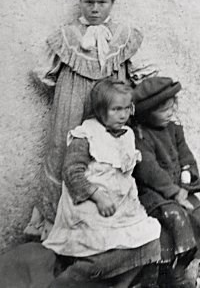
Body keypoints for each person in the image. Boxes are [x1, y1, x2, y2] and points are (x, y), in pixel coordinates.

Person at [28, 0, 154, 238]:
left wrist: (122, 89)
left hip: (110, 102)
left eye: (102, 2)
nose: (95, 8)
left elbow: (143, 71)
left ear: (112, 3)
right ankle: (56, 226)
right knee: (65, 150)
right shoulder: (67, 35)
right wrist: (68, 87)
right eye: (89, 2)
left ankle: (104, 223)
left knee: (106, 154)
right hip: (71, 98)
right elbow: (42, 72)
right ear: (80, 2)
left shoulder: (122, 35)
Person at [43, 78, 161, 288]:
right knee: (103, 250)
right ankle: (68, 282)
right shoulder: (87, 134)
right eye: (116, 109)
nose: (123, 115)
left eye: (126, 108)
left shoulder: (128, 135)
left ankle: (121, 285)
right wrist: (97, 196)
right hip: (89, 203)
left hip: (122, 206)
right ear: (100, 110)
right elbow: (72, 172)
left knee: (150, 240)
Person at [131, 77, 200, 288]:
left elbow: (186, 156)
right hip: (156, 193)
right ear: (147, 113)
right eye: (163, 111)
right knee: (178, 220)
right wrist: (173, 192)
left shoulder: (174, 129)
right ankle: (176, 271)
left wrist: (188, 173)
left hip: (180, 189)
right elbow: (149, 170)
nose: (170, 113)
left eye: (172, 108)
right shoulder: (141, 136)